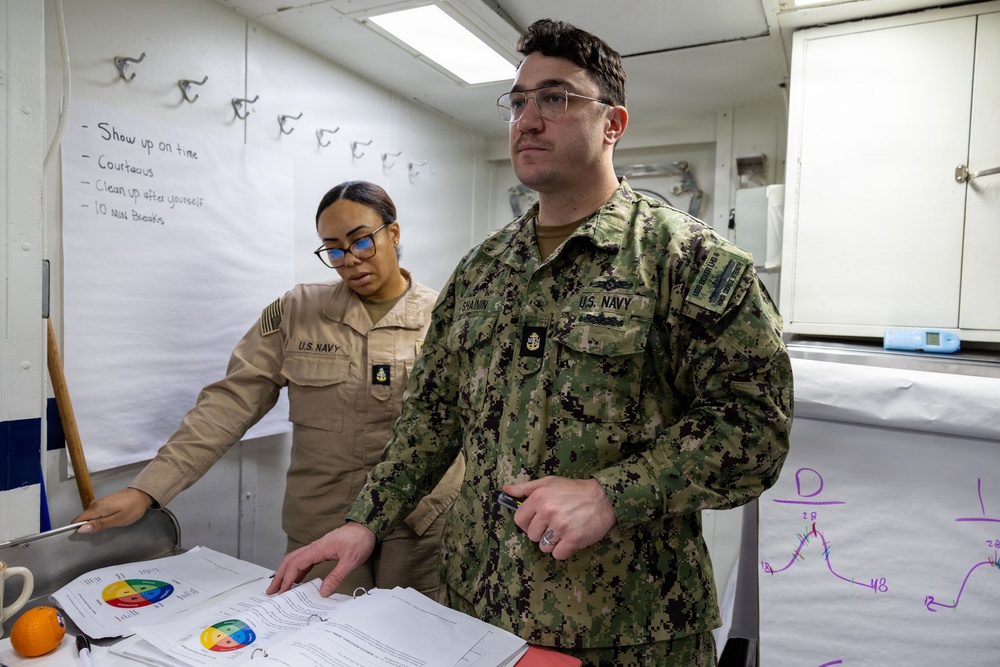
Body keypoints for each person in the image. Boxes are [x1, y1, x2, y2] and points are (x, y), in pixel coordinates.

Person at [268, 19, 793, 666]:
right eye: (518, 102)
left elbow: (754, 430)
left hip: (625, 628)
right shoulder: (483, 269)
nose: (528, 118)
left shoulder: (684, 260)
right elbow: (431, 418)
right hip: (475, 611)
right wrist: (366, 519)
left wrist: (612, 493)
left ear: (613, 124)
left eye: (556, 98)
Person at [73, 180, 464, 599]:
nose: (349, 260)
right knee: (318, 639)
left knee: (409, 642)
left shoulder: (445, 317)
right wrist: (147, 489)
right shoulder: (298, 312)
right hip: (323, 522)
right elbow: (229, 403)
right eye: (333, 249)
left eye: (361, 242)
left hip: (417, 523)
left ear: (394, 233)